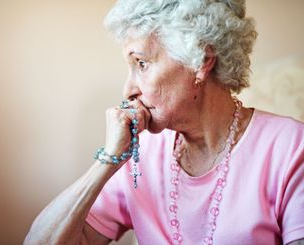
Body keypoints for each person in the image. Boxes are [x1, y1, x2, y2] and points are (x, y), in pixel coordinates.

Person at [24, 0, 304, 244]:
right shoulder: (139, 154)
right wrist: (108, 160)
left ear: (202, 60)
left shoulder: (290, 148)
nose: (128, 90)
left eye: (141, 63)